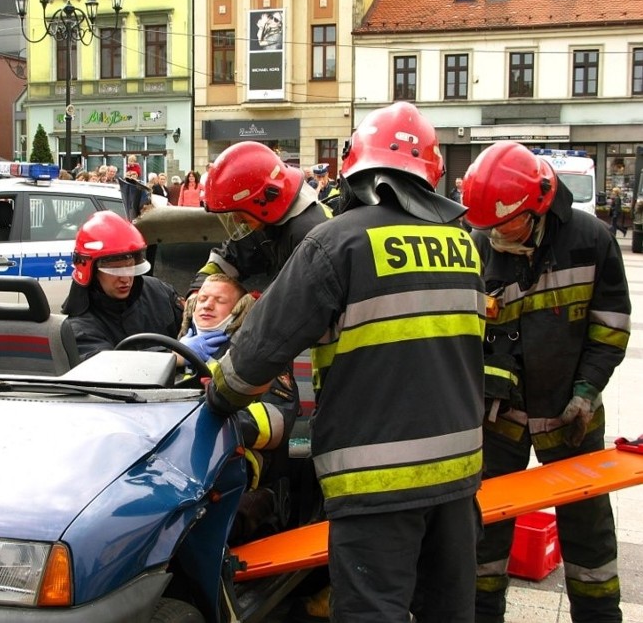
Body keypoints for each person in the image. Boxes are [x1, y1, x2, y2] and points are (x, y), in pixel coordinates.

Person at [206, 102, 486, 622]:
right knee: (447, 610)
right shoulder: (464, 245)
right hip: (458, 477)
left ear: (353, 167)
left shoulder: (337, 242)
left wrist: (219, 392)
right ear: (433, 173)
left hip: (376, 481)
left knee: (371, 611)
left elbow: (257, 354)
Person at [462, 140, 630, 623]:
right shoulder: (478, 245)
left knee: (588, 528)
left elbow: (610, 327)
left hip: (569, 412)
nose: (494, 233)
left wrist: (586, 391)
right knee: (486, 528)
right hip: (498, 419)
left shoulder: (591, 240)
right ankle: (481, 614)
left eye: (504, 223)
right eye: (486, 225)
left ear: (537, 206)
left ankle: (599, 616)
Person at [180, 273, 299, 543]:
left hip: (233, 471)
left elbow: (275, 422)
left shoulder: (259, 358)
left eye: (219, 301)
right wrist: (172, 358)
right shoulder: (174, 351)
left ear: (239, 311)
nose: (207, 306)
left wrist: (208, 417)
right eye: (203, 299)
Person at [192, 141, 332, 292]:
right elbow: (228, 259)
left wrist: (258, 307)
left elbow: (305, 301)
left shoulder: (308, 234)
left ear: (262, 201)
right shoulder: (265, 221)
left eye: (238, 212)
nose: (237, 220)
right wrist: (198, 290)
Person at [60, 210, 186, 361]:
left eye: (130, 267)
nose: (126, 279)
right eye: (115, 270)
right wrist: (172, 357)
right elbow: (108, 367)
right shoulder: (77, 326)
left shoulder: (159, 292)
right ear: (92, 272)